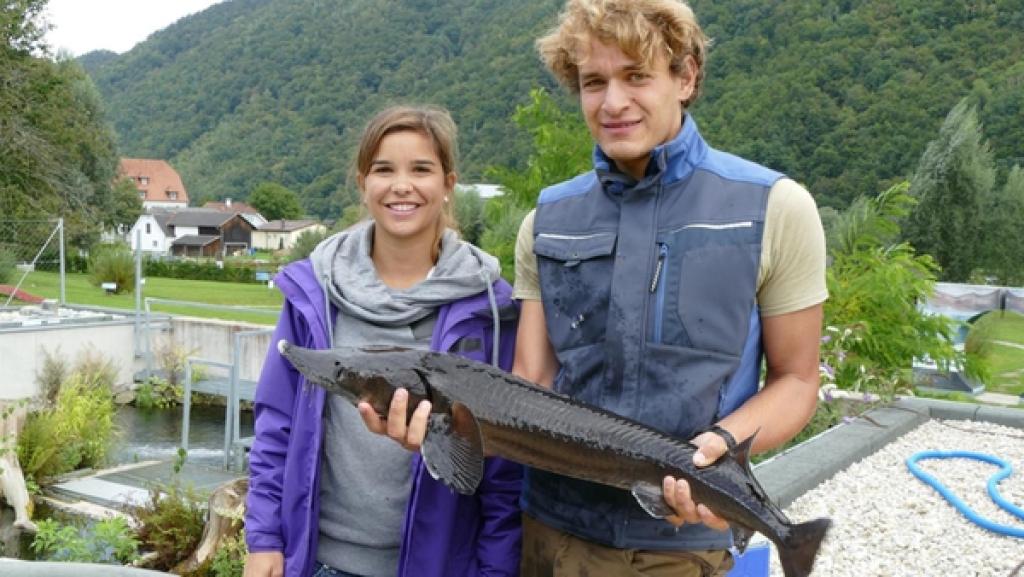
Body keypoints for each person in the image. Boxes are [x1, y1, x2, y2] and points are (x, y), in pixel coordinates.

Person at [510, 1, 828, 575]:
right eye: (593, 82)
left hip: (680, 546)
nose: (612, 103)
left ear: (685, 77)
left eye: (637, 76)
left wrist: (719, 452)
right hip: (549, 532)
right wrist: (440, 429)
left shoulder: (776, 208)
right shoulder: (546, 219)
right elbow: (531, 383)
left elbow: (798, 379)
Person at [243, 105, 523, 577]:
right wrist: (264, 539)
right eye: (383, 169)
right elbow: (277, 425)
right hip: (319, 563)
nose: (401, 185)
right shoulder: (314, 292)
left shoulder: (490, 309)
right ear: (362, 182)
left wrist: (495, 570)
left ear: (449, 184)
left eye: (421, 169)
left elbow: (504, 470)